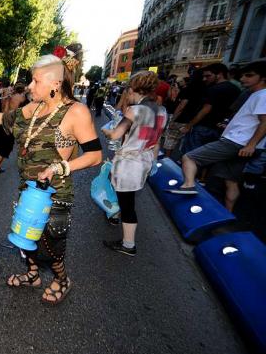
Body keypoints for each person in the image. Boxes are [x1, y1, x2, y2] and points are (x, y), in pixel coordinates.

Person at [0, 46, 102, 304]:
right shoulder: (33, 109)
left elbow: (95, 155)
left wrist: (60, 167)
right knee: (25, 237)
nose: (30, 87)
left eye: (36, 81)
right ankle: (33, 275)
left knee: (50, 247)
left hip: (54, 194)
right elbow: (4, 118)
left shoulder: (75, 112)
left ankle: (62, 280)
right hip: (28, 190)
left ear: (55, 83)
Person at [169, 62, 266, 211]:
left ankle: (188, 186)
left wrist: (251, 144)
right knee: (231, 182)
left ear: (263, 77)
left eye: (249, 75)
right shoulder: (255, 95)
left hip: (237, 142)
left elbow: (264, 122)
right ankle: (228, 214)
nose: (243, 78)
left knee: (189, 157)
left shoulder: (262, 95)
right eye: (243, 75)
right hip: (242, 143)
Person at [102, 71, 167, 256]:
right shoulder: (161, 111)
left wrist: (106, 130)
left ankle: (128, 244)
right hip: (144, 161)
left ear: (133, 89)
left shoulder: (135, 110)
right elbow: (158, 139)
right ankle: (121, 230)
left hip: (129, 164)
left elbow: (115, 134)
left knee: (127, 205)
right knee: (127, 201)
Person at [180, 63, 240, 154]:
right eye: (204, 76)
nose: (205, 79)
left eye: (208, 76)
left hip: (204, 127)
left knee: (190, 156)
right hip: (220, 129)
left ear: (219, 75)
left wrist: (189, 126)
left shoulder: (213, 89)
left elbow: (206, 109)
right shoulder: (236, 89)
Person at [0, 83, 26, 173]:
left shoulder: (7, 96)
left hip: (2, 119)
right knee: (6, 146)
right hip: (10, 122)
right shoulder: (21, 97)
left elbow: (3, 108)